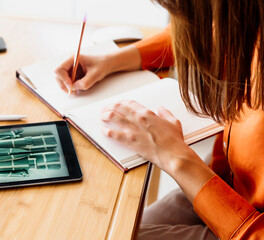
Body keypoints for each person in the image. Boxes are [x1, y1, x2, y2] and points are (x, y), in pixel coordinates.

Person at [55, 0, 264, 239]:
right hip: (226, 177)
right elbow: (206, 25)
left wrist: (176, 158)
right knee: (109, 227)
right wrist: (113, 60)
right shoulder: (241, 18)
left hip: (249, 224)